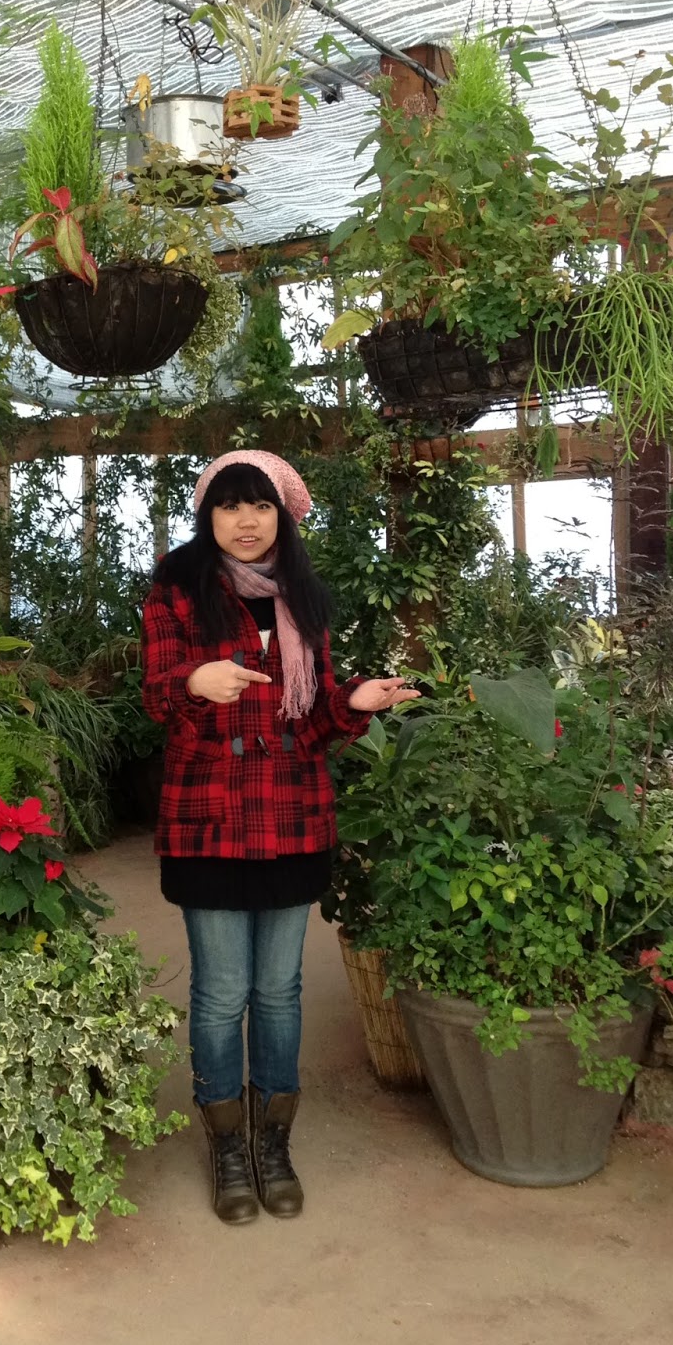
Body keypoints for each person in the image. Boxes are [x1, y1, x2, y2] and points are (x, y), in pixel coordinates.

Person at [141, 449, 419, 1224]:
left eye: (259, 505)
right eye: (229, 505)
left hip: (292, 814)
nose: (245, 520)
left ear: (281, 514)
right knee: (220, 990)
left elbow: (314, 717)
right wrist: (193, 683)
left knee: (278, 990)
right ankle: (227, 1142)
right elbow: (155, 696)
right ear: (208, 515)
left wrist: (353, 701)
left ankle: (272, 1139)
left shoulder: (301, 596)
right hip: (207, 817)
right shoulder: (176, 587)